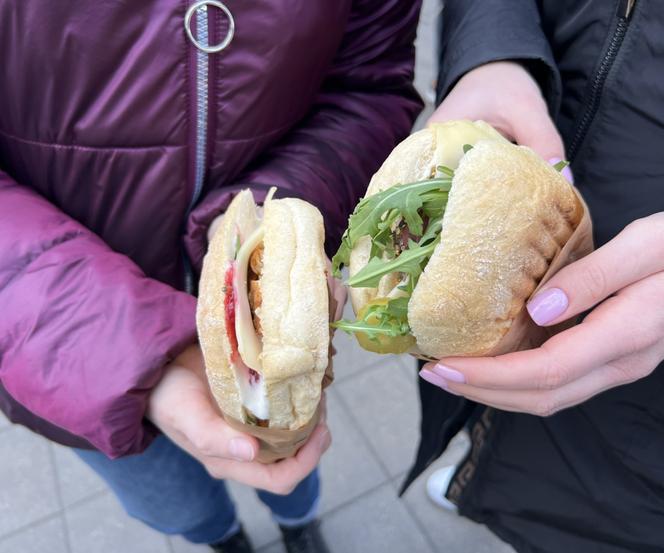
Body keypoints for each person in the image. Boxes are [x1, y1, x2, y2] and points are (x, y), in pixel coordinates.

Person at [0, 2, 422, 552]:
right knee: (175, 502)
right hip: (66, 356)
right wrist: (113, 346)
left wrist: (271, 223)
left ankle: (300, 524)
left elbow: (371, 87)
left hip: (269, 340)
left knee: (288, 462)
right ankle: (223, 540)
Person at [403, 1, 664, 552]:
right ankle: (474, 464)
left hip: (630, 453)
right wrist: (491, 50)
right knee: (485, 414)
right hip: (495, 256)